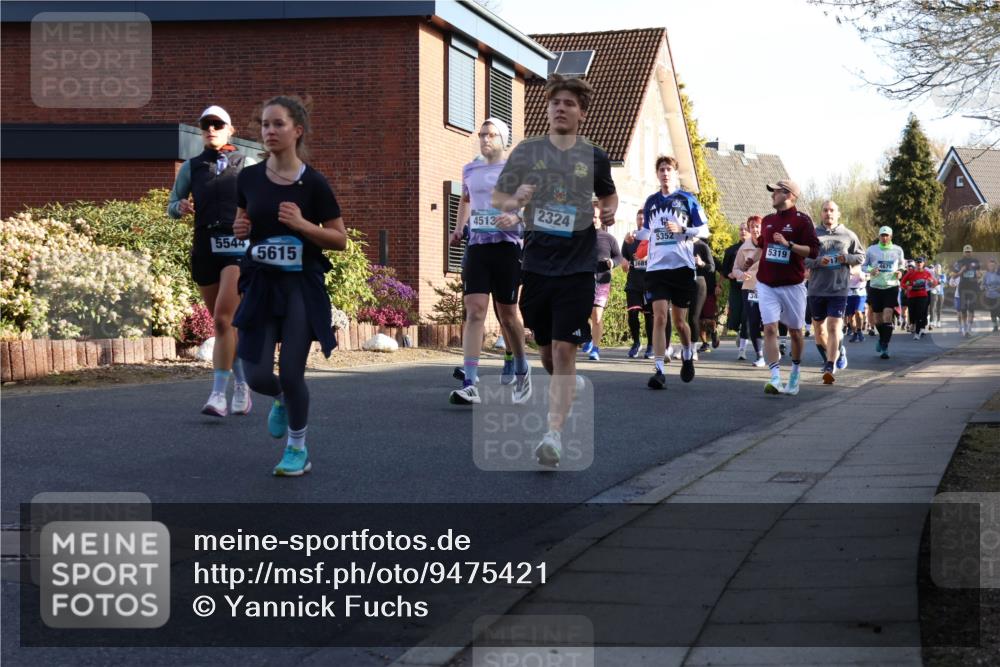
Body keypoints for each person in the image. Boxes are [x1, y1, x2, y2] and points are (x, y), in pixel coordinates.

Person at [493, 74, 617, 468]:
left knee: (565, 349)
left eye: (569, 103)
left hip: (578, 266)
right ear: (548, 109)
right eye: (555, 103)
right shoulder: (528, 151)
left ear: (582, 113)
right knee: (547, 352)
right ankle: (566, 383)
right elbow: (499, 199)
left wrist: (609, 209)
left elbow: (608, 193)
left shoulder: (594, 156)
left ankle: (553, 435)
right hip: (537, 265)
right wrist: (516, 198)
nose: (561, 108)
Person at [232, 95, 347, 476]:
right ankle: (280, 397)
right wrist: (240, 229)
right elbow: (243, 221)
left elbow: (340, 239)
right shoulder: (248, 178)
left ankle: (297, 448)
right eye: (265, 124)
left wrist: (302, 225)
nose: (269, 131)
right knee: (257, 375)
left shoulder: (313, 183)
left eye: (278, 124)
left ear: (297, 130)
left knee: (293, 372)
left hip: (300, 286)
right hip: (262, 284)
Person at [167, 105, 254, 418]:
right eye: (206, 125)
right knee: (224, 325)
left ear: (230, 130)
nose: (211, 129)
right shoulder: (192, 167)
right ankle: (242, 384)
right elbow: (171, 205)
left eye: (218, 124)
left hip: (236, 246)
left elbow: (264, 200)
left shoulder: (247, 163)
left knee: (222, 319)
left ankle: (218, 395)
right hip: (204, 246)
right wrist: (179, 207)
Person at [447, 118, 530, 405]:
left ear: (503, 140)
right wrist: (459, 228)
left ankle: (522, 368)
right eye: (482, 134)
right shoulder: (470, 168)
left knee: (507, 316)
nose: (485, 139)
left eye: (491, 134)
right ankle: (470, 382)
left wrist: (514, 217)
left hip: (507, 246)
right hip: (478, 246)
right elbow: (465, 200)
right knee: (475, 311)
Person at [636, 155, 710, 390]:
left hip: (681, 268)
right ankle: (659, 370)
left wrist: (682, 229)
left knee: (679, 322)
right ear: (657, 174)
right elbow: (647, 232)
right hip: (657, 269)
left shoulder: (687, 199)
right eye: (661, 169)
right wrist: (634, 235)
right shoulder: (651, 202)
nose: (665, 173)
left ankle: (687, 354)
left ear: (675, 173)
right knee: (659, 317)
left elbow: (705, 230)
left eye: (669, 169)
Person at [755, 179, 819, 395]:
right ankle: (775, 377)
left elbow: (813, 251)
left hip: (792, 285)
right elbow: (763, 245)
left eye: (776, 191)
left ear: (790, 195)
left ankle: (795, 371)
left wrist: (788, 244)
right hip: (766, 283)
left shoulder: (802, 220)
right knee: (769, 328)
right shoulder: (767, 220)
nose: (772, 195)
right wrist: (751, 258)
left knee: (796, 332)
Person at [804, 200, 864, 384]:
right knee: (819, 330)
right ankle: (838, 351)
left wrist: (846, 258)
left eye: (832, 210)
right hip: (816, 288)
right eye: (825, 210)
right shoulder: (812, 235)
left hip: (839, 289)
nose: (828, 213)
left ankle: (830, 365)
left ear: (838, 214)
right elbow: (803, 259)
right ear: (821, 213)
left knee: (833, 326)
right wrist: (818, 261)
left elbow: (861, 256)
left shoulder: (848, 235)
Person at [587, 202, 627, 361]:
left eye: (596, 217)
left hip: (602, 280)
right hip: (583, 280)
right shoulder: (580, 237)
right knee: (584, 314)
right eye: (591, 217)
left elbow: (619, 257)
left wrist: (612, 262)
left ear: (601, 219)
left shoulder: (609, 238)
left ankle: (595, 349)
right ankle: (588, 338)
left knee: (597, 316)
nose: (594, 220)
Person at [862, 226, 906, 359]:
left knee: (887, 315)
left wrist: (900, 272)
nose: (884, 238)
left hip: (891, 286)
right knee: (877, 319)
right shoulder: (871, 249)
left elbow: (902, 265)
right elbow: (863, 266)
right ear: (879, 236)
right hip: (875, 287)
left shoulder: (897, 249)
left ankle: (885, 346)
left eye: (887, 235)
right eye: (882, 235)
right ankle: (882, 339)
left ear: (891, 236)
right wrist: (870, 270)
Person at [622, 209, 654, 359]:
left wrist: (645, 258)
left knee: (649, 316)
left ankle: (651, 345)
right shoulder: (630, 238)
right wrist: (624, 263)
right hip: (633, 282)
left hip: (649, 282)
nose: (641, 221)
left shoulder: (652, 238)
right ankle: (636, 343)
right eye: (639, 218)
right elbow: (623, 257)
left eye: (643, 219)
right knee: (632, 313)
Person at [734, 216, 765, 366]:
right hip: (750, 287)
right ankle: (760, 355)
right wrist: (742, 275)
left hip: (768, 287)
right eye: (752, 227)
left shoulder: (769, 243)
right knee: (753, 321)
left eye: (757, 226)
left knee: (769, 321)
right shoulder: (743, 248)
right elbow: (735, 269)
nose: (755, 229)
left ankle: (773, 347)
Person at [721, 225, 746, 353]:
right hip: (736, 287)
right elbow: (724, 270)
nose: (743, 231)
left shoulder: (757, 249)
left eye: (746, 229)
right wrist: (729, 274)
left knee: (747, 315)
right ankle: (739, 331)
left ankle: (742, 346)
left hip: (751, 287)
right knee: (735, 317)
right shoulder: (731, 250)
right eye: (741, 229)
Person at [900, 257, 938, 339]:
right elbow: (902, 283)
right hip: (911, 296)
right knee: (912, 314)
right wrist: (907, 287)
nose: (919, 264)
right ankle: (914, 324)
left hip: (922, 296)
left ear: (923, 263)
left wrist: (932, 282)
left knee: (920, 313)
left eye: (920, 262)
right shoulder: (910, 273)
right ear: (915, 263)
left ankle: (918, 332)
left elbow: (934, 283)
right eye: (917, 262)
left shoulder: (926, 273)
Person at [952, 244, 982, 337]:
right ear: (963, 252)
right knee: (963, 309)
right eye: (966, 251)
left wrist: (978, 274)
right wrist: (961, 271)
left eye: (969, 251)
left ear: (972, 252)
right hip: (963, 288)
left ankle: (969, 328)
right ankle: (964, 328)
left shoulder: (976, 261)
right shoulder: (959, 262)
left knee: (971, 309)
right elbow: (953, 276)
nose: (968, 253)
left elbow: (979, 275)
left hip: (973, 288)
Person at [845, 260, 868, 343]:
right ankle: (855, 333)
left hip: (860, 293)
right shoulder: (846, 267)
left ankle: (859, 330)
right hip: (849, 293)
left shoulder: (863, 266)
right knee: (851, 317)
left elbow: (870, 275)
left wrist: (865, 278)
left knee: (858, 312)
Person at [982, 258, 1000, 333]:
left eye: (993, 265)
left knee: (998, 311)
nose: (992, 267)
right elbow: (983, 284)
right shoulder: (986, 275)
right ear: (988, 266)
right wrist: (985, 288)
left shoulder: (998, 274)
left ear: (995, 266)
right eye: (990, 265)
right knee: (992, 312)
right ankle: (995, 326)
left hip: (998, 295)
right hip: (989, 296)